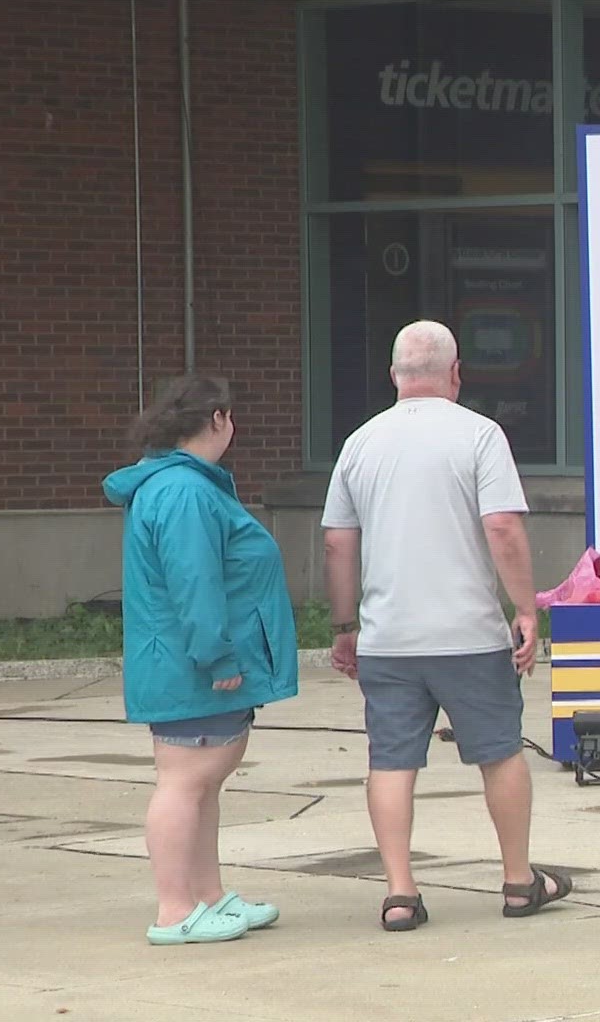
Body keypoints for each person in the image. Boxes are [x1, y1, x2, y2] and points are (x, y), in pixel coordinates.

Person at [322, 320, 570, 932]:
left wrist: (345, 624)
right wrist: (526, 609)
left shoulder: (360, 442)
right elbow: (504, 529)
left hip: (389, 638)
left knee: (391, 763)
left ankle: (401, 894)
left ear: (395, 376)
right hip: (469, 637)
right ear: (456, 374)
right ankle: (517, 882)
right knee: (500, 753)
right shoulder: (480, 436)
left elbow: (336, 543)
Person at [103, 374, 299, 945]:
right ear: (216, 419)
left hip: (184, 663)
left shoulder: (181, 485)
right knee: (184, 782)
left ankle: (207, 896)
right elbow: (195, 581)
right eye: (230, 416)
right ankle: (174, 910)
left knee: (201, 787)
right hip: (192, 667)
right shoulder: (185, 492)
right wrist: (216, 656)